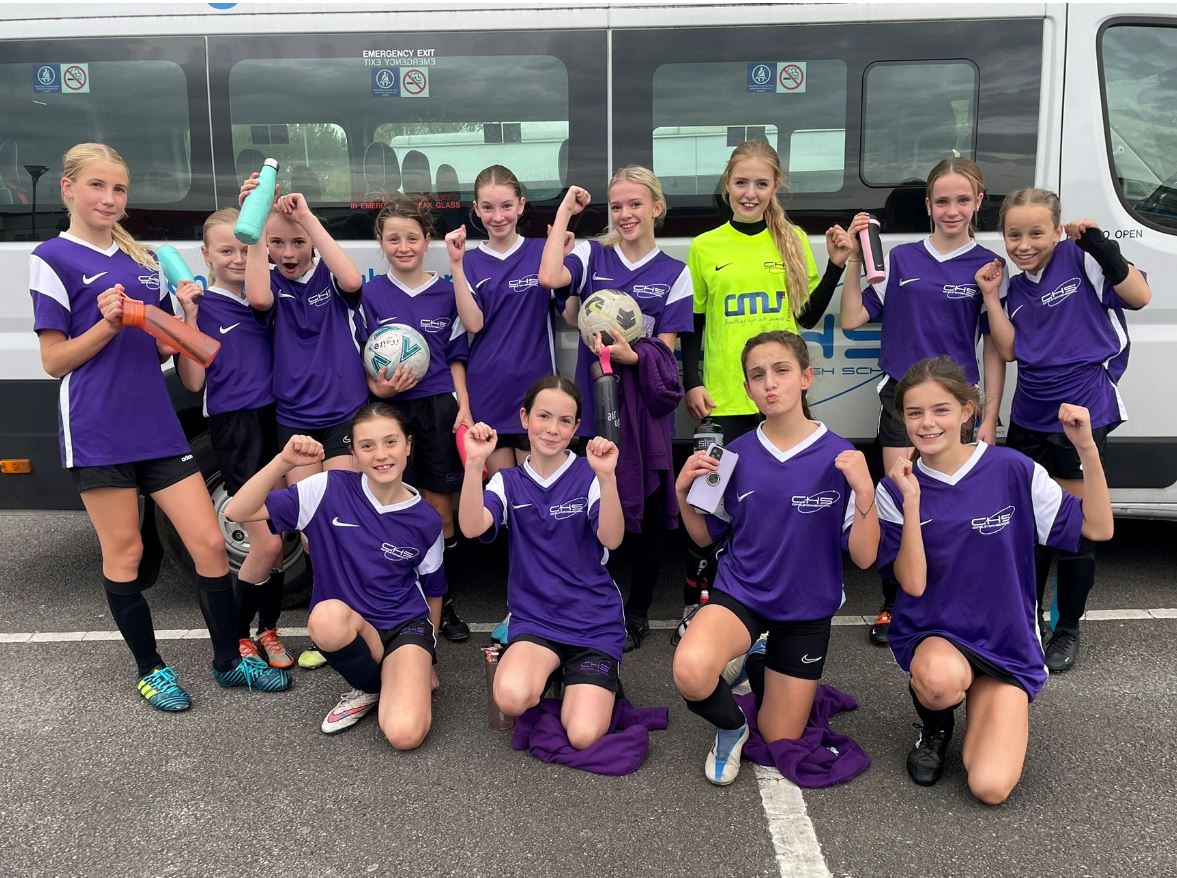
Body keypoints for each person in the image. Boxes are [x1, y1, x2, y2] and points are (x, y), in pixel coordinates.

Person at [28, 143, 290, 710]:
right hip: (97, 429)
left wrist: (185, 321)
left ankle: (227, 663)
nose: (109, 198)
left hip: (158, 428)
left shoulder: (143, 261)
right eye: (97, 186)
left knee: (211, 545)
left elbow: (161, 354)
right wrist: (106, 325)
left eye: (118, 189)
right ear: (68, 189)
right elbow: (54, 361)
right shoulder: (52, 257)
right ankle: (151, 669)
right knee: (123, 556)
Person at [875, 356, 1113, 803]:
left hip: (1005, 642)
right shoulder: (894, 489)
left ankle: (989, 703)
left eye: (940, 409)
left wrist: (1086, 449)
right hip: (936, 634)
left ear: (967, 411)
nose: (927, 424)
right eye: (914, 413)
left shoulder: (1012, 469)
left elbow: (1098, 529)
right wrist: (911, 504)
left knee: (989, 787)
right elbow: (914, 586)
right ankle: (935, 726)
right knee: (941, 681)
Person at [672, 330, 879, 785]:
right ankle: (730, 728)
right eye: (757, 375)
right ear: (746, 388)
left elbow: (865, 559)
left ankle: (758, 657)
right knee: (690, 671)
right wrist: (683, 494)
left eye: (782, 371)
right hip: (743, 595)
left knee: (780, 734)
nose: (770, 383)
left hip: (806, 610)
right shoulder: (730, 456)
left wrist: (866, 491)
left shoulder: (843, 457)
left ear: (806, 377)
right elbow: (705, 539)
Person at [678, 140, 853, 643]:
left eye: (760, 184)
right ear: (726, 186)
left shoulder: (793, 238)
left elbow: (807, 316)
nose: (749, 193)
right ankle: (704, 605)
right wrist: (694, 380)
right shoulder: (705, 245)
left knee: (782, 505)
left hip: (782, 400)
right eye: (741, 183)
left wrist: (837, 264)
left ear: (775, 187)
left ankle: (774, 613)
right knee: (712, 504)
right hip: (727, 399)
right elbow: (693, 323)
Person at [976, 188, 1151, 671]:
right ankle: (1027, 619)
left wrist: (1102, 245)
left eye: (1036, 233)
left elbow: (1139, 296)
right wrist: (991, 295)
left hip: (1082, 411)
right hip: (1030, 412)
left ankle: (1068, 627)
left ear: (1056, 230)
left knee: (1076, 527)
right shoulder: (1013, 283)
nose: (1024, 244)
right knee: (1029, 525)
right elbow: (1009, 350)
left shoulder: (1082, 257)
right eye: (1014, 234)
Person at [837, 158, 1007, 646]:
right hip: (901, 400)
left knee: (953, 504)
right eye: (942, 201)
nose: (951, 210)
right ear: (928, 205)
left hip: (957, 404)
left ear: (977, 202)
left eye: (962, 200)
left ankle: (952, 601)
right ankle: (897, 604)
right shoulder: (902, 259)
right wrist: (852, 259)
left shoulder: (990, 266)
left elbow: (996, 349)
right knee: (898, 500)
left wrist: (990, 416)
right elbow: (851, 318)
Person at [225, 403, 446, 745]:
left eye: (391, 442)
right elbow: (239, 509)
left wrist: (427, 654)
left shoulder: (426, 520)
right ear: (354, 454)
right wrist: (283, 462)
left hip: (405, 626)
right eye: (367, 445)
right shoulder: (327, 488)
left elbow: (433, 590)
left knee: (405, 735)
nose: (381, 454)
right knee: (325, 619)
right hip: (351, 624)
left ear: (408, 445)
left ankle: (406, 672)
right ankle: (373, 686)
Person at [538, 166, 691, 651]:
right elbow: (547, 276)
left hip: (646, 413)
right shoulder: (592, 253)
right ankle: (595, 602)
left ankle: (639, 610)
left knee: (644, 514)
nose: (625, 214)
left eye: (635, 204)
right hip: (598, 406)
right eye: (617, 206)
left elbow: (665, 355)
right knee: (594, 507)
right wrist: (566, 211)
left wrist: (632, 355)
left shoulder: (675, 272)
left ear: (656, 208)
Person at [241, 173, 368, 670]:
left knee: (340, 523)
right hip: (296, 423)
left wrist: (307, 219)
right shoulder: (269, 282)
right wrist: (255, 224)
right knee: (311, 531)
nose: (289, 251)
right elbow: (256, 299)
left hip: (343, 416)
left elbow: (354, 279)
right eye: (278, 242)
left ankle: (351, 618)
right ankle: (325, 619)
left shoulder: (328, 280)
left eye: (297, 242)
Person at [458, 376, 625, 750]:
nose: (552, 429)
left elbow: (612, 539)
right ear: (524, 417)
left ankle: (590, 673)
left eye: (565, 421)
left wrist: (609, 478)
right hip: (537, 620)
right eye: (543, 416)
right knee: (511, 698)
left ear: (577, 428)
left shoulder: (589, 474)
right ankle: (548, 669)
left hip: (592, 621)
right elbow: (471, 527)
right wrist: (474, 464)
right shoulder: (508, 481)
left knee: (583, 735)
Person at [174, 208, 292, 669]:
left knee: (282, 532)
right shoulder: (201, 305)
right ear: (206, 254)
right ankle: (241, 636)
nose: (239, 259)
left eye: (246, 249)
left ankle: (269, 630)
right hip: (236, 428)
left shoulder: (265, 297)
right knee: (266, 542)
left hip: (278, 419)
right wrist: (187, 315)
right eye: (227, 251)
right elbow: (192, 382)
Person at [362, 195, 472, 642]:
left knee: (439, 513)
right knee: (389, 506)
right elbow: (364, 364)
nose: (403, 246)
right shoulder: (371, 294)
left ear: (427, 241)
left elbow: (457, 357)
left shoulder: (447, 292)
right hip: (391, 413)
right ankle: (394, 598)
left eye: (412, 237)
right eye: (393, 239)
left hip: (437, 407)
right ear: (380, 243)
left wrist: (464, 405)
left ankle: (441, 603)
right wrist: (380, 391)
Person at [447, 164, 561, 475]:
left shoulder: (542, 252)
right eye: (488, 207)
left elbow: (572, 314)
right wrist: (456, 266)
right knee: (502, 493)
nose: (498, 216)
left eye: (506, 206)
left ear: (521, 205)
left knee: (536, 493)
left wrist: (564, 256)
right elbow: (473, 324)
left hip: (536, 393)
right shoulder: (470, 261)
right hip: (489, 394)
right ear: (476, 210)